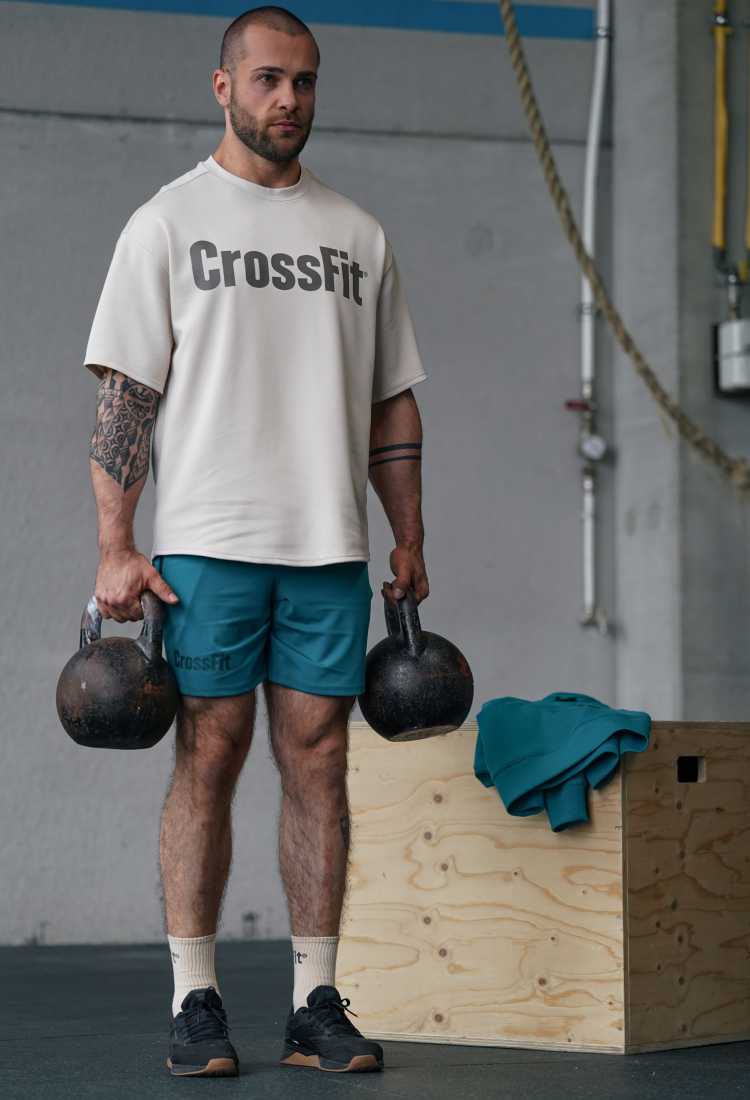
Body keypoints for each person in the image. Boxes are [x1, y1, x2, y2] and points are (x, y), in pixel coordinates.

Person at [85, 4, 428, 1080]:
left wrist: (408, 534)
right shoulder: (167, 222)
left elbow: (392, 407)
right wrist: (116, 543)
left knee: (320, 761)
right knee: (210, 753)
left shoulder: (359, 235)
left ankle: (314, 999)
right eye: (271, 79)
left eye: (307, 82)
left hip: (327, 545)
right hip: (205, 546)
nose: (292, 100)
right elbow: (124, 398)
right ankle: (196, 995)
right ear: (224, 86)